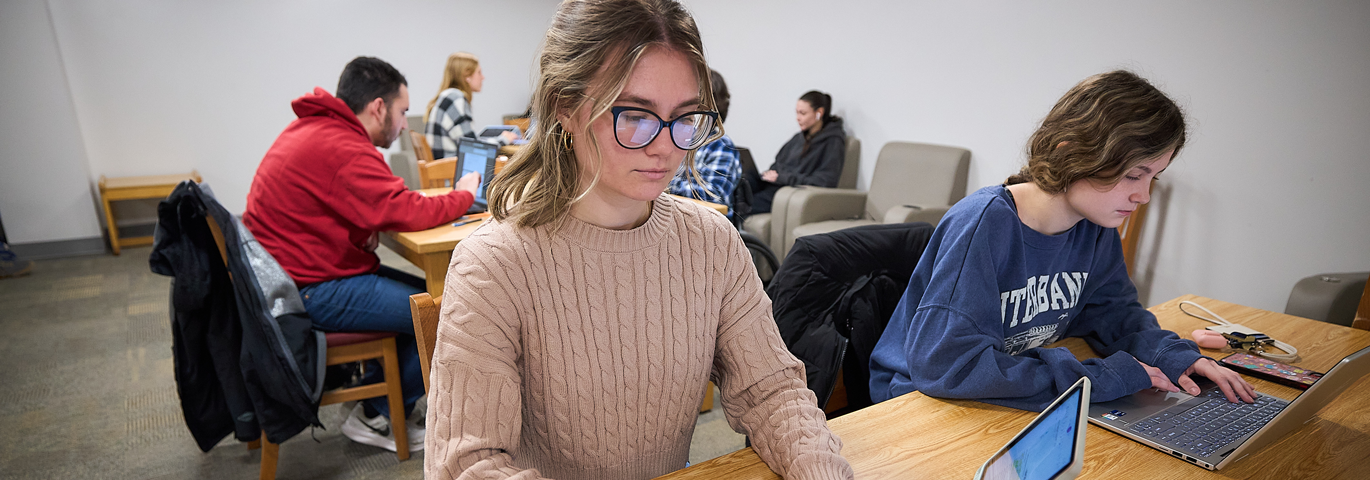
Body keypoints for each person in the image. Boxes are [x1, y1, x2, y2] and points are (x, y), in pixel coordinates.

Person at [425, 0, 853, 478]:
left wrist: (820, 470)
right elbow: (468, 464)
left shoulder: (711, 243)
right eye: (634, 114)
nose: (665, 147)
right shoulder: (493, 264)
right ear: (564, 106)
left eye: (685, 117)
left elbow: (773, 392)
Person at [868, 70, 1257, 412]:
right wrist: (1100, 378)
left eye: (1153, 178)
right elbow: (949, 366)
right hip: (920, 401)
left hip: (1001, 388)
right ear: (1071, 152)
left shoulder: (1095, 226)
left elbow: (1112, 312)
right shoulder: (984, 225)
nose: (1144, 196)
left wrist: (1171, 355)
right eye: (1133, 175)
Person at [243, 56, 481, 453]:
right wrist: (466, 195)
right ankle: (378, 414)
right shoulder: (342, 145)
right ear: (378, 108)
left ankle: (380, 401)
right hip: (309, 290)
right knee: (441, 312)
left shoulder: (317, 130)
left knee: (431, 297)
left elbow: (358, 205)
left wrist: (359, 230)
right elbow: (406, 211)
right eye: (403, 112)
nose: (405, 124)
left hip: (289, 280)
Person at [749, 90, 846, 214]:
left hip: (788, 191)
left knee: (741, 204)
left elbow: (825, 181)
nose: (798, 118)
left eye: (803, 113)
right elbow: (779, 162)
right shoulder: (799, 138)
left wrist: (784, 178)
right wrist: (771, 175)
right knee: (745, 181)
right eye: (797, 113)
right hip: (777, 184)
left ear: (819, 113)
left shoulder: (833, 142)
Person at [666, 69, 741, 218]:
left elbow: (713, 195)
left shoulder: (721, 146)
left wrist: (665, 184)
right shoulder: (677, 137)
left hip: (706, 225)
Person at [423, 52, 518, 160]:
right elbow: (472, 148)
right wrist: (503, 139)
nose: (483, 77)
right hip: (451, 172)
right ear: (466, 76)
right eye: (479, 72)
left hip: (443, 169)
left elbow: (469, 141)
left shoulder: (446, 96)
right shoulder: (456, 98)